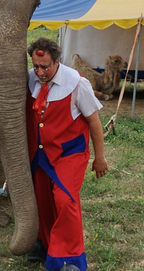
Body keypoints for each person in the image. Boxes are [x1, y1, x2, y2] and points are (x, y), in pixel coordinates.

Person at [25, 37, 109, 271]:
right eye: (36, 66)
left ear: (57, 62)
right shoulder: (31, 79)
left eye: (45, 67)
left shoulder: (76, 84)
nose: (40, 72)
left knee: (65, 200)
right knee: (41, 201)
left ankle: (70, 259)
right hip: (41, 153)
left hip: (69, 153)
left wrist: (99, 157)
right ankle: (45, 243)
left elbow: (94, 122)